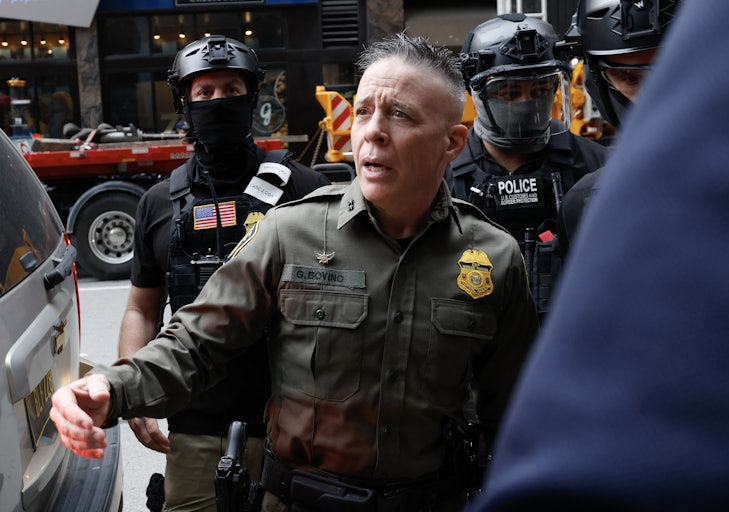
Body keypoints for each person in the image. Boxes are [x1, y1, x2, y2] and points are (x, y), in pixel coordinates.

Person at [51, 34, 539, 512]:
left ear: (452, 142)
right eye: (364, 111)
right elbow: (195, 344)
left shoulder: (492, 256)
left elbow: (514, 410)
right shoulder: (290, 232)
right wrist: (111, 389)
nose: (373, 131)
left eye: (399, 114)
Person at [466, 1, 729, 509]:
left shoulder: (596, 176)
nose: (526, 104)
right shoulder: (590, 196)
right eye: (629, 76)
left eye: (540, 90)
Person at [119, 35, 329, 512]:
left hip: (295, 425)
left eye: (231, 89)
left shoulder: (304, 187)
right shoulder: (158, 203)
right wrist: (136, 388)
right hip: (194, 429)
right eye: (205, 92)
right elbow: (140, 307)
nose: (218, 101)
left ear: (251, 98)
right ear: (184, 102)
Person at [448, 13, 607, 319]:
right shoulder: (442, 172)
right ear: (476, 93)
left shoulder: (595, 167)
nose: (526, 103)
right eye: (509, 93)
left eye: (539, 90)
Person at [558, 0, 680, 256]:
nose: (651, 96)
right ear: (596, 82)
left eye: (669, 70)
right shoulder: (584, 204)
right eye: (631, 78)